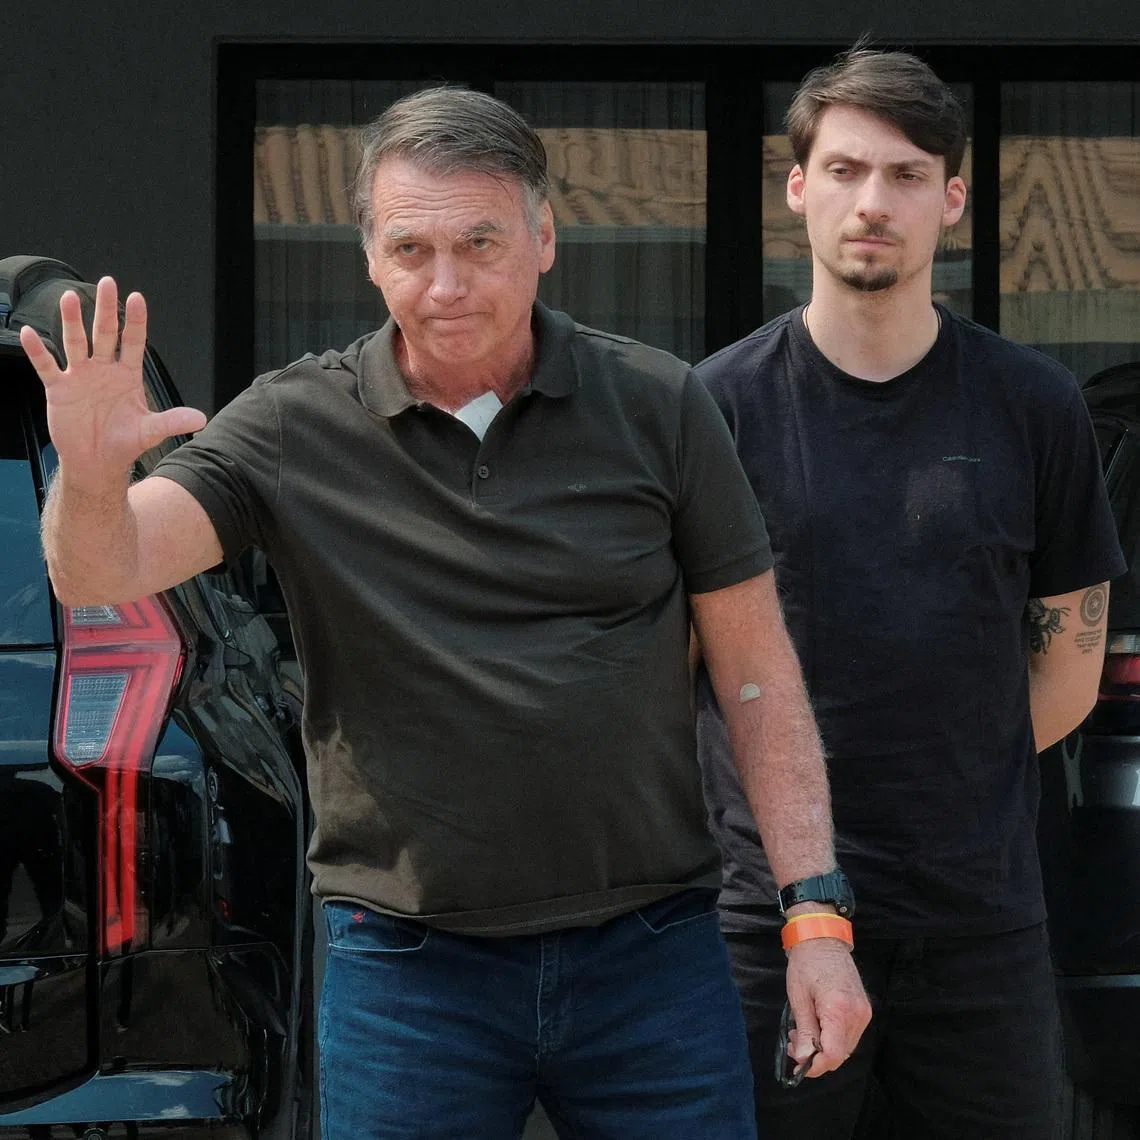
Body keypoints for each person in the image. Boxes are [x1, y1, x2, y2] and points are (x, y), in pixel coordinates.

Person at [21, 88, 868, 1140]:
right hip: (412, 974)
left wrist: (816, 917)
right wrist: (92, 479)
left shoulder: (659, 405)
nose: (448, 282)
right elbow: (102, 572)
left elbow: (756, 673)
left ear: (546, 236)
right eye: (412, 248)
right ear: (368, 256)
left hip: (649, 957)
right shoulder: (295, 424)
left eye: (481, 241)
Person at [694, 47, 1126, 1140]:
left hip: (979, 927)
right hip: (771, 925)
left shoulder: (1034, 407)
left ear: (954, 198)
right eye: (842, 171)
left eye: (902, 174)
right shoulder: (716, 409)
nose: (870, 203)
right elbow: (679, 662)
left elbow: (1066, 669)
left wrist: (946, 777)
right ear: (797, 190)